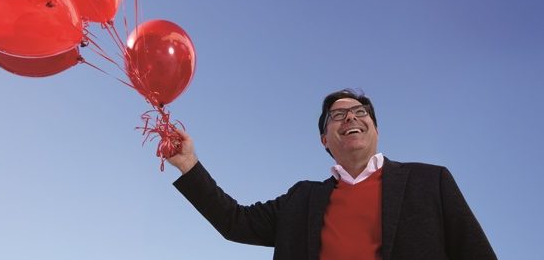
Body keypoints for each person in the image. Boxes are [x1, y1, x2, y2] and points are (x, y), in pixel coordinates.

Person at [169, 88, 497, 260]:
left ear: (375, 129)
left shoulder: (430, 182)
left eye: (359, 112)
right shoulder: (302, 199)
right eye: (337, 115)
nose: (350, 118)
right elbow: (234, 222)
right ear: (325, 139)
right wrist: (188, 164)